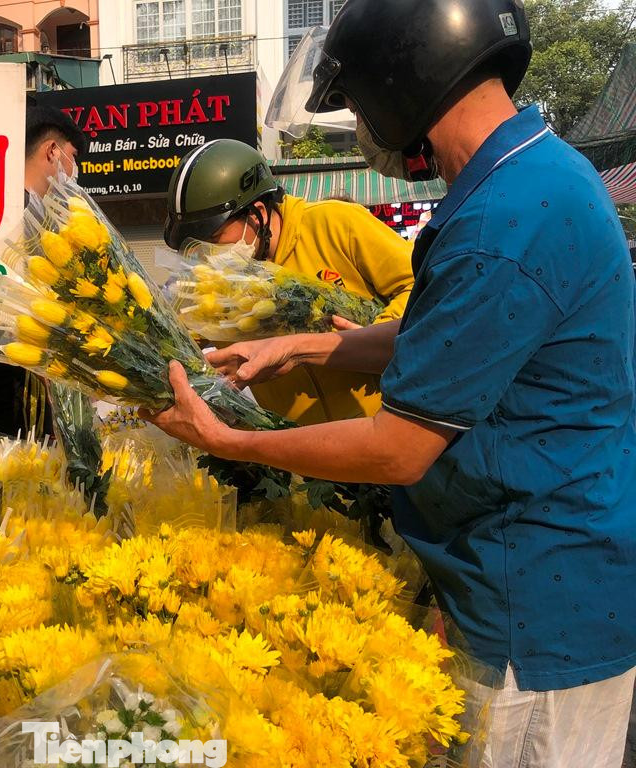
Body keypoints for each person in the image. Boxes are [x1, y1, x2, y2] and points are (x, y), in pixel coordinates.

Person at [144, 1, 636, 765]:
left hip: (535, 609)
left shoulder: (502, 220)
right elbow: (456, 340)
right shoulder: (531, 176)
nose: (364, 130)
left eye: (359, 105)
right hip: (537, 577)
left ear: (407, 82)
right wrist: (306, 348)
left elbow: (399, 449)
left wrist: (230, 439)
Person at [164, 138, 414, 425]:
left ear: (256, 213)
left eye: (213, 238)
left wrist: (374, 336)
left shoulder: (334, 223)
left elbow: (424, 287)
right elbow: (175, 347)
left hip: (390, 423)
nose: (205, 253)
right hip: (304, 449)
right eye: (195, 244)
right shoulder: (210, 283)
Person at [0, 105, 87, 438]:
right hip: (8, 374)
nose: (75, 171)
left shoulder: (5, 203)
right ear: (52, 151)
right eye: (73, 157)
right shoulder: (16, 212)